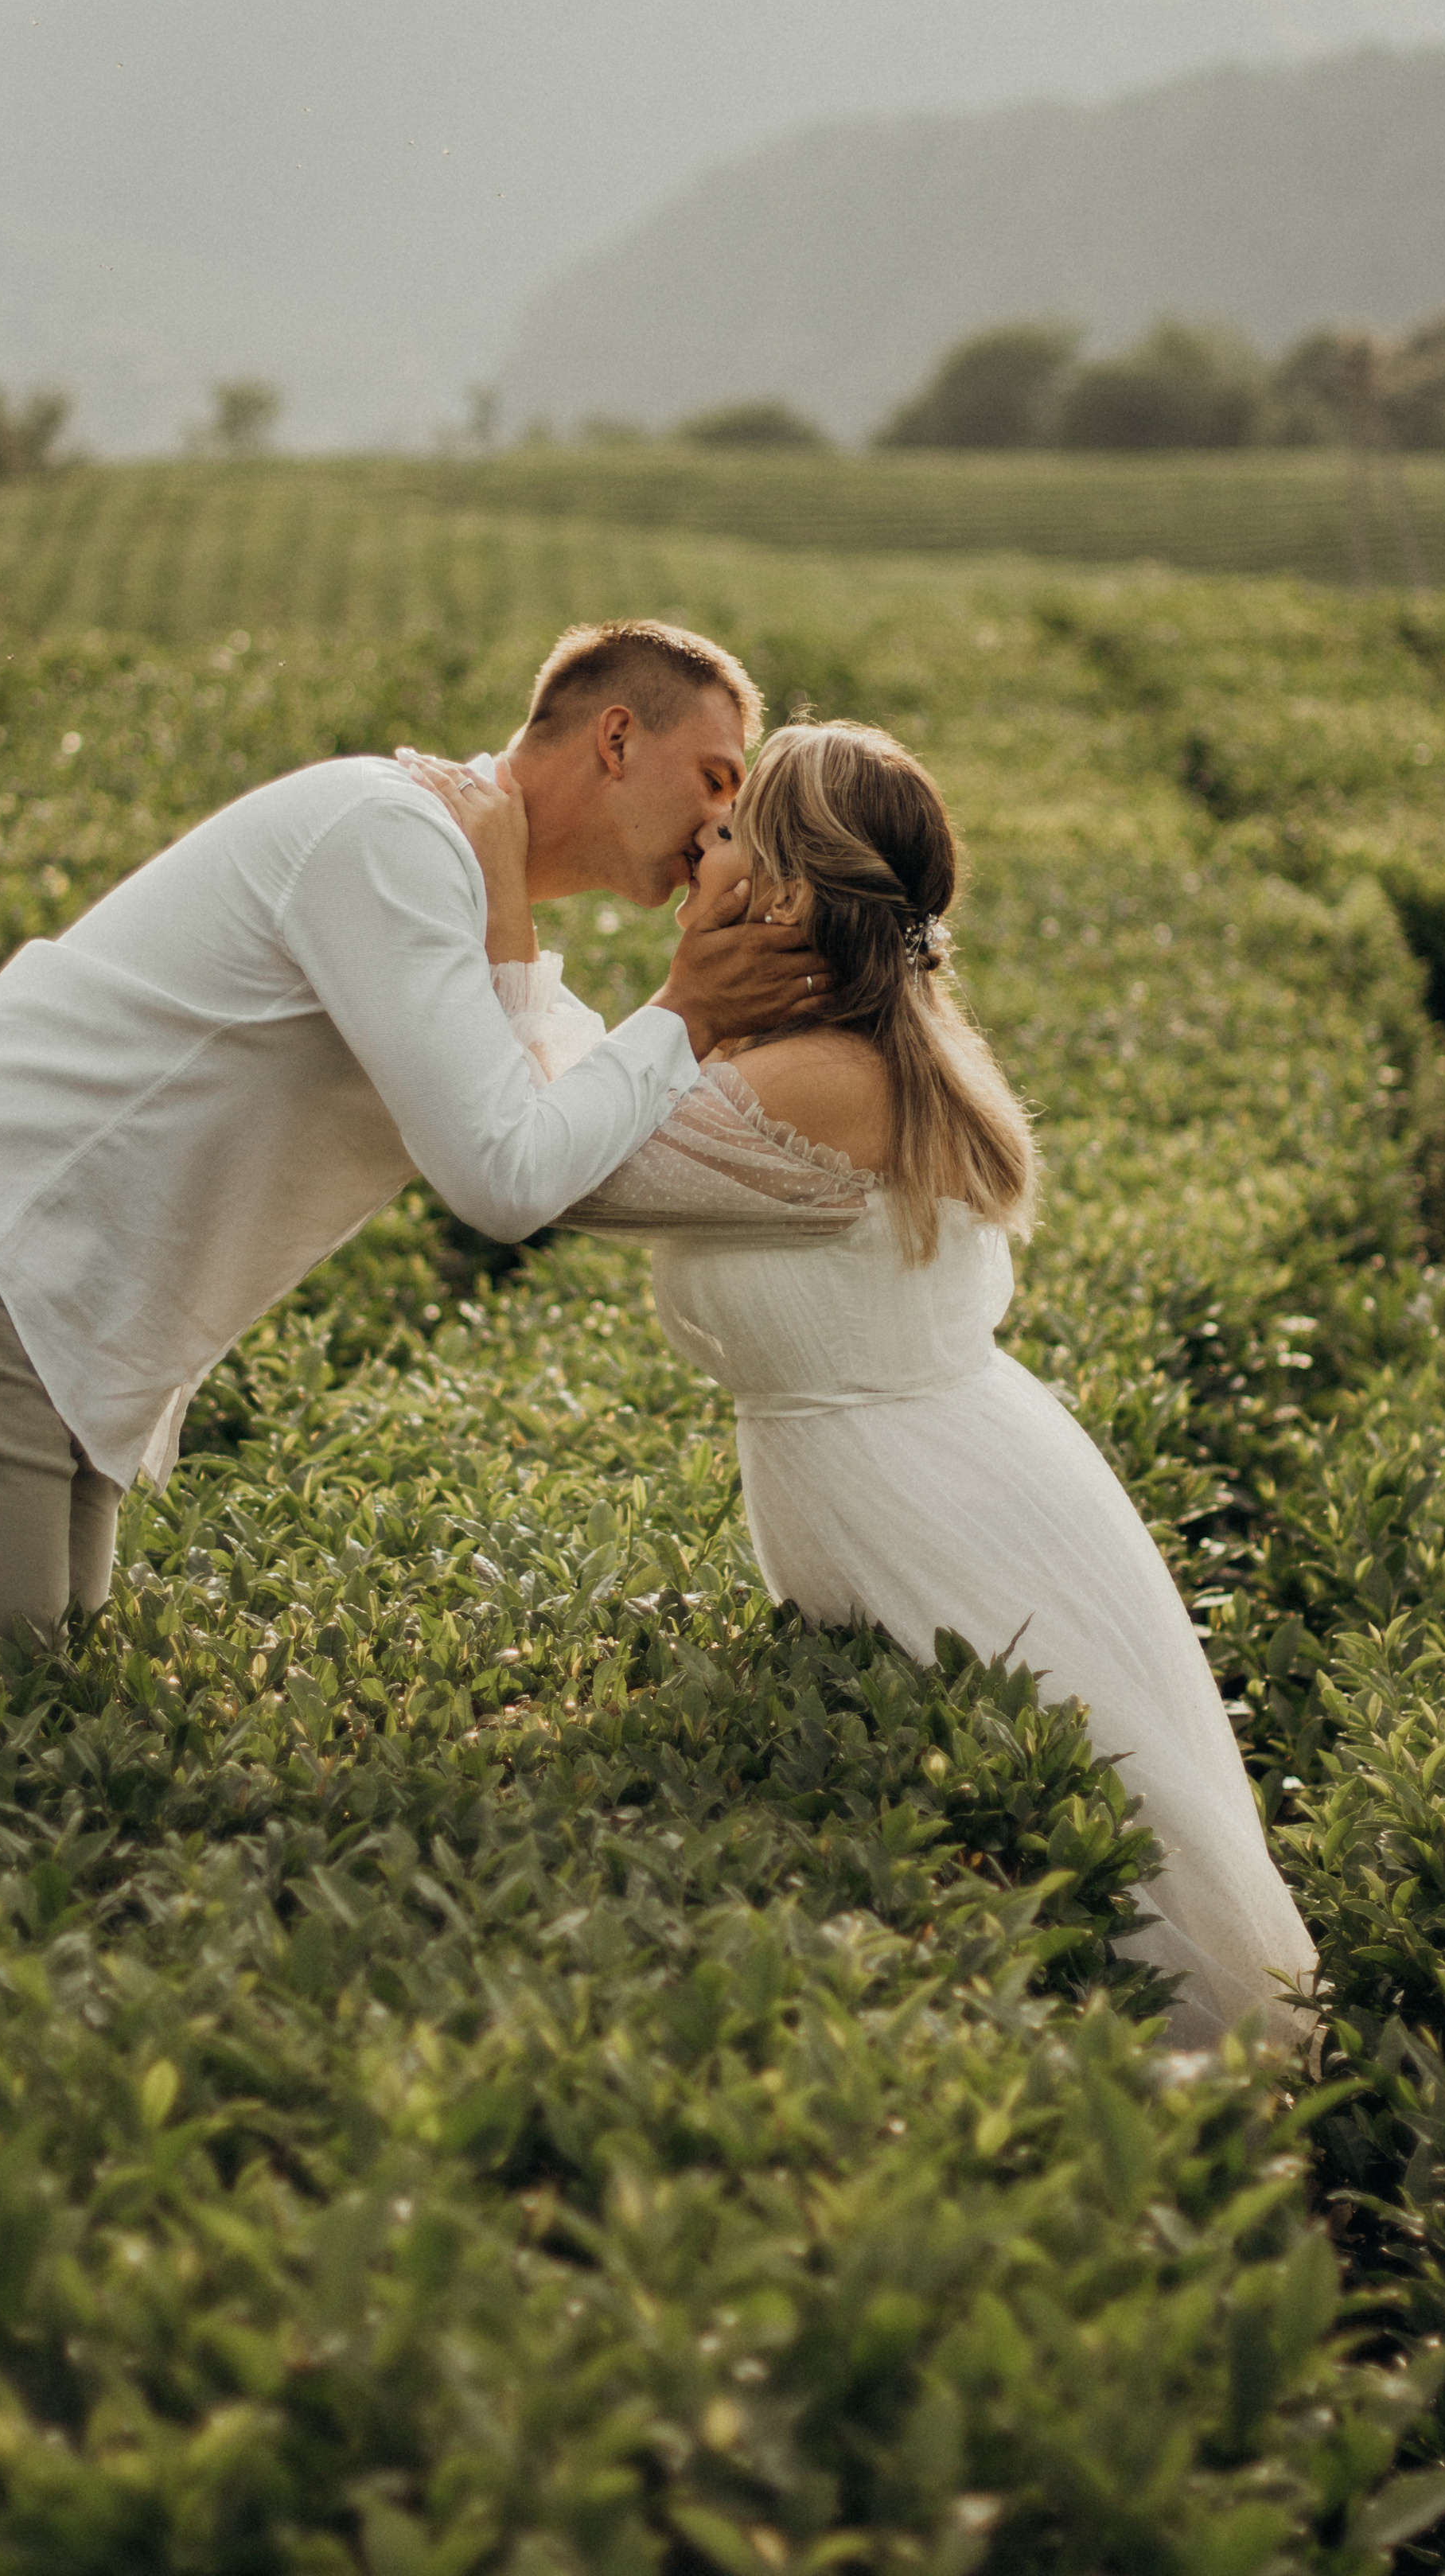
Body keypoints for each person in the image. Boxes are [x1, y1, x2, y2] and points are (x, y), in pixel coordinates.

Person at [411, 716, 1317, 2049]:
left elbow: (553, 1166)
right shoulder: (847, 1046)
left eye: (725, 832)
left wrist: (502, 905)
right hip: (942, 1470)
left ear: (777, 894)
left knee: (1091, 1884)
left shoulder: (818, 1082)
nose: (695, 844)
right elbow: (605, 1100)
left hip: (927, 1504)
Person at [0, 620, 824, 1775]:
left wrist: (542, 941)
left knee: (49, 1783)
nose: (723, 831)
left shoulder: (455, 880)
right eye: (719, 781)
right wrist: (685, 1008)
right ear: (618, 737)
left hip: (26, 1318)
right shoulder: (391, 839)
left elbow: (570, 1113)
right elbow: (507, 1176)